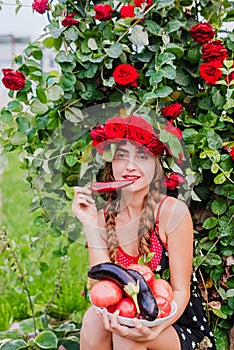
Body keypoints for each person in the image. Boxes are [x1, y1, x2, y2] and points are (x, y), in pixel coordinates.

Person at [72, 114, 216, 350]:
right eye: (121, 155)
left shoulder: (172, 213)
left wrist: (153, 329)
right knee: (92, 320)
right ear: (111, 164)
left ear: (156, 165)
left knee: (128, 333)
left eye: (142, 156)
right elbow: (102, 286)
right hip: (127, 315)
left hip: (174, 323)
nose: (130, 166)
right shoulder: (102, 216)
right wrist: (89, 224)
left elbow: (181, 291)